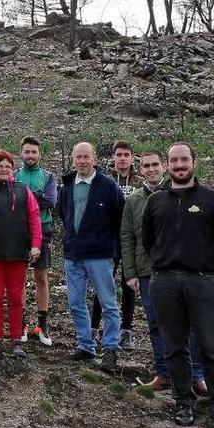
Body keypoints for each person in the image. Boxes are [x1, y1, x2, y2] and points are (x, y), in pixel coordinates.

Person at [142, 142, 214, 428]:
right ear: (167, 165)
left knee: (211, 346)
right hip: (165, 282)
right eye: (174, 161)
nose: (179, 165)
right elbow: (148, 240)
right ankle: (183, 402)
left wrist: (208, 268)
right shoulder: (155, 201)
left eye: (184, 160)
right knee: (174, 347)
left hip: (202, 282)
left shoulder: (212, 200)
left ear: (194, 161)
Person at [120, 150, 207, 395]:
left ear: (164, 167)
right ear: (141, 169)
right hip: (148, 272)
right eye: (145, 166)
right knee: (156, 324)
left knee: (190, 324)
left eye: (155, 164)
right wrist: (130, 272)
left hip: (180, 269)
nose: (150, 169)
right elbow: (127, 237)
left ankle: (196, 375)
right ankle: (164, 374)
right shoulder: (134, 201)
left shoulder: (180, 194)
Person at [58, 142, 125, 372]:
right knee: (76, 302)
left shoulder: (108, 186)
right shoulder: (66, 186)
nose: (83, 161)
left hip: (100, 255)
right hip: (73, 254)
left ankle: (111, 348)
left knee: (108, 303)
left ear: (94, 159)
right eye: (79, 157)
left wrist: (114, 250)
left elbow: (120, 217)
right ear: (73, 160)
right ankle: (85, 345)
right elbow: (63, 213)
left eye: (87, 157)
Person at [0, 150, 42, 357]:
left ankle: (16, 340)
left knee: (15, 298)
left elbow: (34, 217)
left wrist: (36, 244)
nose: (4, 169)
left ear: (12, 168)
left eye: (7, 166)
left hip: (18, 253)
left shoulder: (23, 190)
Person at [92, 141, 143, 349]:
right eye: (119, 154)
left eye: (126, 154)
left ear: (132, 157)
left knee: (129, 284)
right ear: (113, 157)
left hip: (131, 240)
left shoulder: (139, 181)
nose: (122, 158)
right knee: (103, 284)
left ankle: (126, 331)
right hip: (109, 238)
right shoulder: (104, 180)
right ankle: (94, 328)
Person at [14, 136, 57, 347]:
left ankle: (42, 325)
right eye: (27, 152)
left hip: (44, 231)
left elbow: (51, 200)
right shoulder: (14, 175)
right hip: (19, 232)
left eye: (34, 152)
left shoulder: (48, 176)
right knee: (20, 277)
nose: (30, 156)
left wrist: (25, 197)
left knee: (41, 276)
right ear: (21, 153)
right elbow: (11, 201)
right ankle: (21, 324)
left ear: (40, 154)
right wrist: (35, 197)